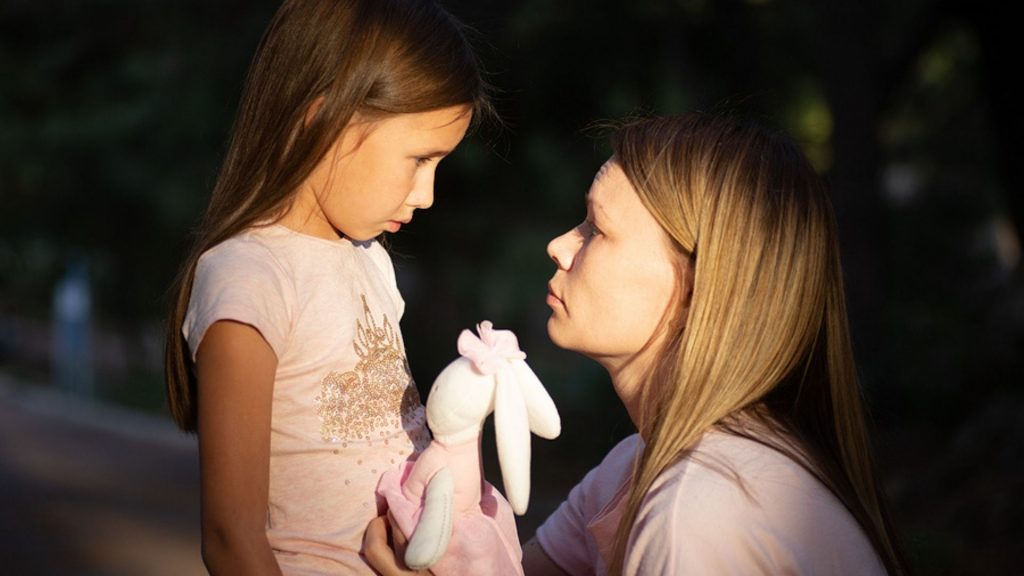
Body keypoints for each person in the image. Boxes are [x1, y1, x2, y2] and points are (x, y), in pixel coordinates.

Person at [364, 113, 905, 575]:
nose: (558, 246)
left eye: (597, 230)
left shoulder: (698, 514)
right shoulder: (637, 464)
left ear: (697, 288)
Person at [162, 0, 492, 573]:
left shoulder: (371, 264)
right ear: (324, 121)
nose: (427, 194)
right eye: (419, 160)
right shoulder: (250, 276)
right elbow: (229, 537)